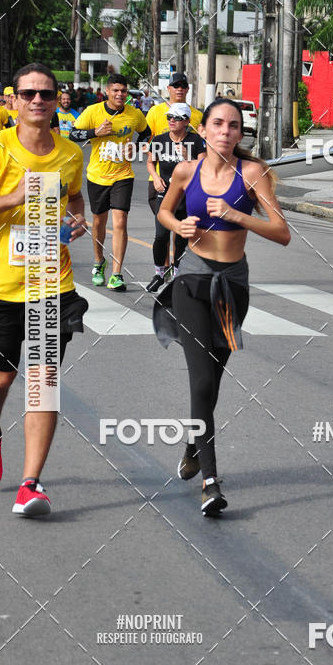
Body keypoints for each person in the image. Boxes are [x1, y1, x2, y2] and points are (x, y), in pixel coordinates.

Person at [0, 62, 88, 517]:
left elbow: (74, 196)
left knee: (43, 384)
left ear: (55, 102)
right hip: (0, 285)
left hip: (53, 283)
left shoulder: (70, 153)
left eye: (46, 94)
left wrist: (77, 220)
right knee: (2, 376)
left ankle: (31, 484)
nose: (37, 101)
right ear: (13, 99)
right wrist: (13, 198)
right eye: (28, 93)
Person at [154, 98, 290, 515]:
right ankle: (211, 483)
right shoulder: (185, 170)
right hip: (192, 282)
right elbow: (163, 210)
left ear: (240, 134)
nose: (227, 131)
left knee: (212, 381)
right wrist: (178, 224)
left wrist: (237, 214)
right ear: (205, 129)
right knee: (200, 382)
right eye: (218, 123)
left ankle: (194, 444)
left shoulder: (254, 174)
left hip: (233, 288)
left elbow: (282, 232)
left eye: (234, 126)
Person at [69, 73, 150, 290]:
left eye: (123, 91)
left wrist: (138, 146)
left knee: (121, 220)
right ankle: (98, 263)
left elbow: (146, 133)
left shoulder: (134, 114)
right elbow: (73, 135)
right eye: (115, 90)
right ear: (107, 92)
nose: (120, 94)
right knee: (98, 222)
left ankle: (116, 273)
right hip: (97, 175)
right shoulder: (93, 111)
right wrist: (94, 132)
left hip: (123, 175)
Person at [146, 102, 206, 292]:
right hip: (165, 194)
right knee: (161, 235)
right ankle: (159, 274)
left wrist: (188, 156)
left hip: (187, 195)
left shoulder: (196, 141)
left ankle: (177, 273)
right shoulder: (160, 140)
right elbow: (150, 162)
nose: (172, 121)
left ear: (187, 121)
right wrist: (155, 178)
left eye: (177, 118)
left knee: (181, 237)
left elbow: (204, 166)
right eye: (169, 117)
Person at [146, 72, 203, 136]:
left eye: (183, 86)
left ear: (187, 89)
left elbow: (202, 142)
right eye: (176, 85)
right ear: (168, 88)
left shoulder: (198, 116)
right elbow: (147, 139)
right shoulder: (155, 111)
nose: (180, 89)